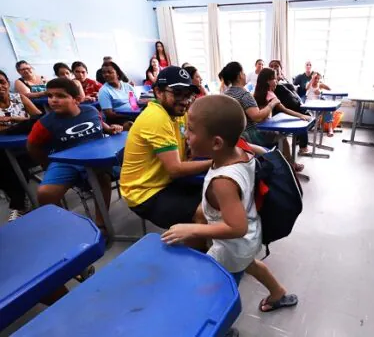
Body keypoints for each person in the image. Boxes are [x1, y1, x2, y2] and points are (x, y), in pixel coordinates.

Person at [161, 94, 298, 313]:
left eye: (192, 130)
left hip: (232, 245)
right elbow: (263, 153)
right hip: (250, 236)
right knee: (249, 263)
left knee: (219, 286)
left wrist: (192, 229)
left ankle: (222, 321)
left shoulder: (223, 182)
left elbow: (236, 227)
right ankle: (278, 292)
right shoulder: (242, 149)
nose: (186, 135)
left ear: (216, 142)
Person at [120, 66, 212, 231]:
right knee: (202, 213)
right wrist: (216, 161)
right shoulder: (156, 118)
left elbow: (192, 144)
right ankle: (198, 254)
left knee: (217, 192)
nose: (185, 101)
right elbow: (175, 169)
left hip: (167, 182)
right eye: (177, 93)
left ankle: (203, 244)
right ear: (158, 92)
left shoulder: (179, 113)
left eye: (188, 95)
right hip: (145, 192)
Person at [26, 78, 123, 233]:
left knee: (102, 178)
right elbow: (32, 146)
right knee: (45, 193)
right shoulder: (44, 123)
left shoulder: (91, 111)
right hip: (65, 162)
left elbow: (101, 125)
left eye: (60, 96)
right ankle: (67, 226)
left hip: (95, 159)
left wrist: (111, 129)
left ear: (77, 99)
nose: (53, 100)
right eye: (50, 96)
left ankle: (100, 223)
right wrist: (46, 163)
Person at [221, 62, 305, 172]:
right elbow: (257, 117)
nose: (245, 75)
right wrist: (272, 104)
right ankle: (288, 166)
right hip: (248, 135)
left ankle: (287, 163)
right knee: (282, 137)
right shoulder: (244, 95)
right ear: (240, 75)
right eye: (243, 72)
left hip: (232, 136)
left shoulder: (226, 94)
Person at [0, 70, 42, 220]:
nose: (0, 86)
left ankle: (18, 203)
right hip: (7, 150)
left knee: (33, 121)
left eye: (2, 82)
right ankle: (19, 203)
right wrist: (23, 122)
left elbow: (38, 118)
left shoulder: (19, 97)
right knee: (7, 164)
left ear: (8, 83)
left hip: (30, 146)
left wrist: (14, 120)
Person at [254, 68, 310, 171]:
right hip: (264, 132)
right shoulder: (270, 94)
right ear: (267, 81)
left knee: (282, 138)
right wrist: (301, 116)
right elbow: (284, 109)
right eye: (274, 79)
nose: (276, 81)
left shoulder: (256, 92)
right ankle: (290, 165)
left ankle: (288, 163)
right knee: (283, 139)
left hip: (257, 129)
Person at [268, 61, 310, 154]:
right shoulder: (270, 84)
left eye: (276, 66)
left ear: (281, 69)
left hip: (293, 107)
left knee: (302, 113)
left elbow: (295, 96)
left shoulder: (286, 83)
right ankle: (302, 144)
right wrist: (276, 79)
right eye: (271, 66)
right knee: (302, 116)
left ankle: (301, 142)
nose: (274, 67)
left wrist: (301, 103)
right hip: (280, 111)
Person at [98, 61, 135, 126]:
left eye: (110, 72)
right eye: (104, 73)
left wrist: (136, 113)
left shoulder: (128, 86)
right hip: (117, 120)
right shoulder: (104, 91)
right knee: (131, 125)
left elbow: (134, 104)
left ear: (118, 74)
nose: (106, 75)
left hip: (133, 115)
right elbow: (109, 114)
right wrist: (129, 115)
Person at [305, 71, 334, 136]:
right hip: (309, 105)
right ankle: (316, 124)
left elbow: (330, 89)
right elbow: (306, 88)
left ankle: (330, 129)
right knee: (311, 118)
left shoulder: (320, 84)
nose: (317, 80)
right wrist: (312, 79)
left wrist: (321, 92)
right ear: (312, 77)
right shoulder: (308, 83)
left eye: (318, 78)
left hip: (318, 104)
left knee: (328, 109)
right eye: (315, 78)